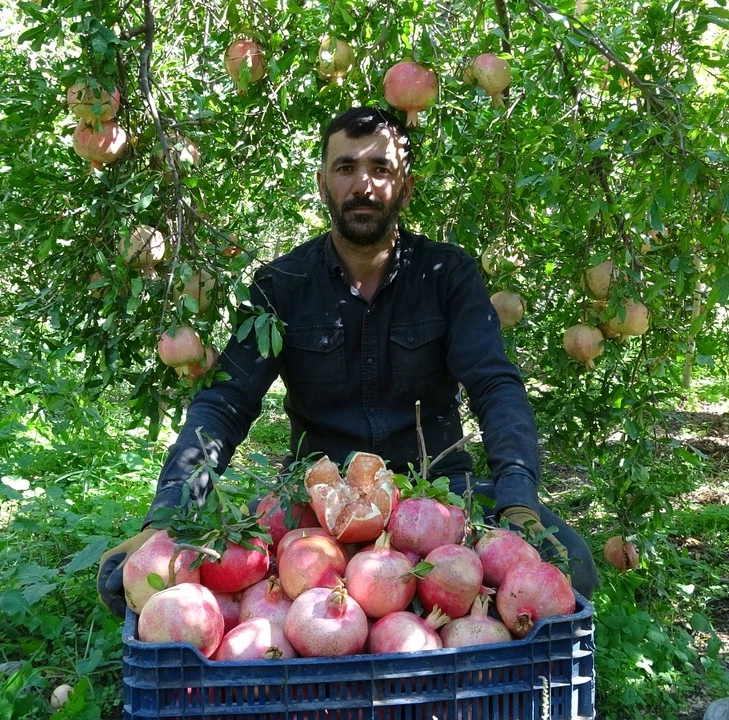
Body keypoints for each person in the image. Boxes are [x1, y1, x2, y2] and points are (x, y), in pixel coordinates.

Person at [98, 106, 598, 617]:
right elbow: (226, 402)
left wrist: (517, 498)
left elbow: (495, 384)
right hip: (317, 502)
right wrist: (172, 512)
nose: (364, 184)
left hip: (439, 495)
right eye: (346, 168)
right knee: (134, 581)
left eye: (380, 169)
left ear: (405, 185)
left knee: (572, 565)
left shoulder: (449, 275)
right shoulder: (281, 285)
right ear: (322, 183)